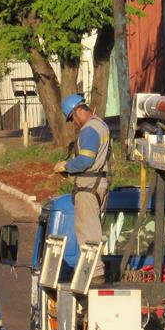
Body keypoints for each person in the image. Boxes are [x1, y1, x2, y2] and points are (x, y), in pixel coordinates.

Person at [53, 94, 111, 282]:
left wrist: (66, 166)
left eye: (71, 118)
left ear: (78, 111)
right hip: (98, 183)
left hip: (88, 187)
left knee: (87, 231)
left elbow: (86, 160)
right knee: (91, 227)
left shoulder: (89, 130)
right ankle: (93, 269)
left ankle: (94, 273)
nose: (73, 123)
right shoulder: (101, 125)